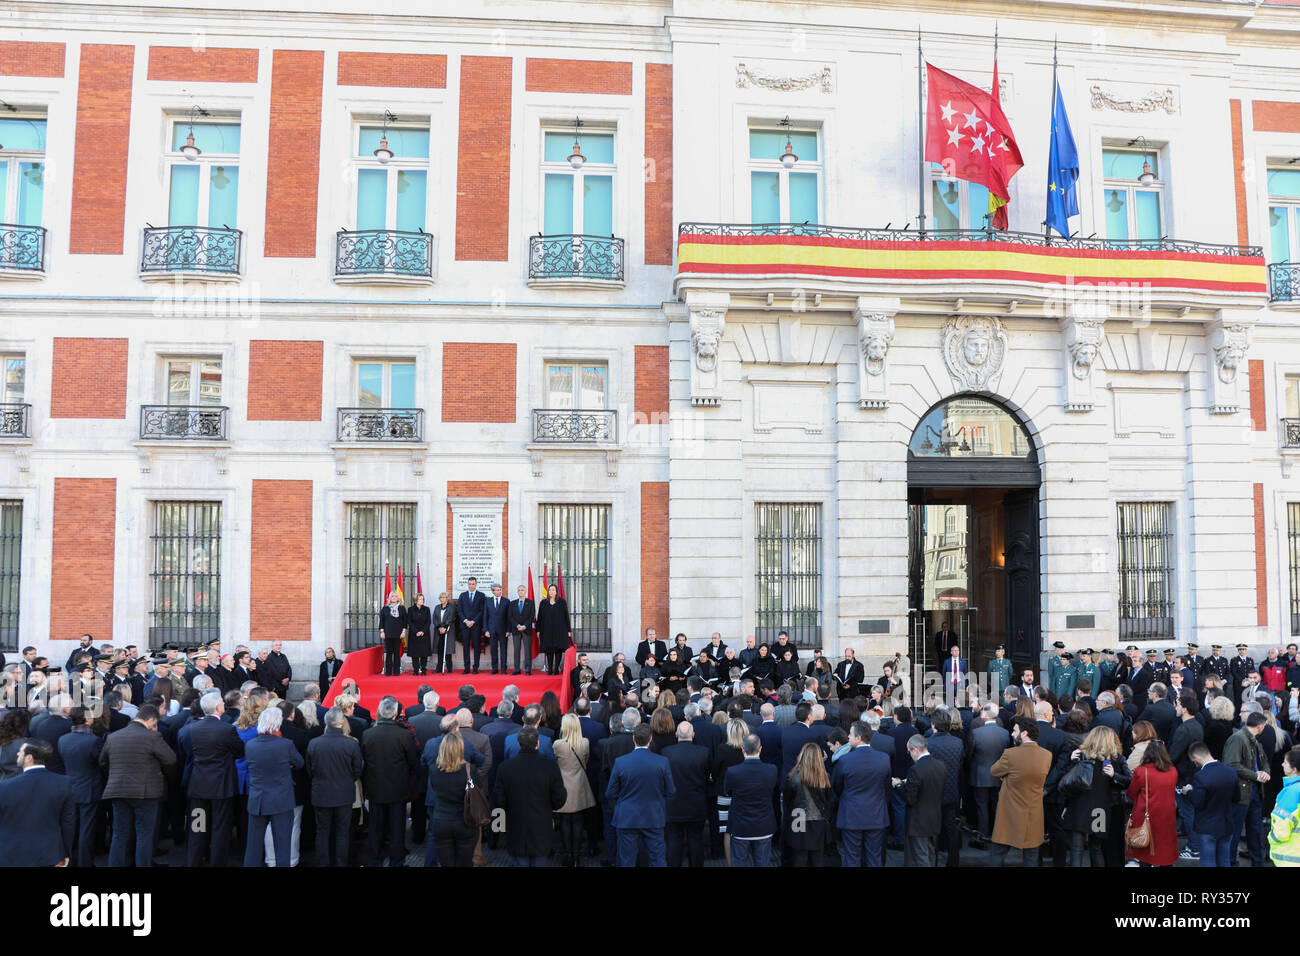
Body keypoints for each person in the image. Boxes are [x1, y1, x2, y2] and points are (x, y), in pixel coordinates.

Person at [98, 703, 176, 867]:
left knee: (119, 833)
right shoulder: (152, 737)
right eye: (154, 725)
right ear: (150, 720)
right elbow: (171, 759)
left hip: (117, 790)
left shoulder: (113, 737)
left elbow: (102, 762)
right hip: (145, 792)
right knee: (144, 834)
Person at [179, 690, 245, 868]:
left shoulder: (189, 730)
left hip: (198, 786)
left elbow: (186, 752)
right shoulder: (227, 729)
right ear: (218, 707)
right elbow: (240, 751)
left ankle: (193, 861)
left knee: (197, 829)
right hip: (221, 787)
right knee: (219, 829)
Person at [492, 726, 565, 866]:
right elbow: (559, 798)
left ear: (518, 744)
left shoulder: (505, 767)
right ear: (538, 744)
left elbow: (499, 799)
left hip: (515, 825)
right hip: (542, 826)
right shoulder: (550, 766)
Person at [605, 723, 675, 867]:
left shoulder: (621, 762)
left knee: (627, 860)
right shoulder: (662, 762)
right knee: (657, 859)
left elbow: (610, 792)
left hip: (627, 817)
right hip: (653, 817)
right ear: (650, 740)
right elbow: (670, 791)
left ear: (633, 739)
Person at [1061, 725, 1131, 867]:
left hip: (1079, 807)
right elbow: (1128, 781)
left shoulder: (1081, 757)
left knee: (1077, 850)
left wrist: (1071, 761)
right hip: (1100, 810)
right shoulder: (1117, 759)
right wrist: (1114, 776)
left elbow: (1069, 782)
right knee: (1096, 848)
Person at [362, 695, 419, 867]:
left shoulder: (367, 734)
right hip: (398, 788)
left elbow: (364, 759)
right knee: (397, 827)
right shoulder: (403, 735)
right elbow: (413, 762)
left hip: (375, 787)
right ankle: (396, 861)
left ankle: (374, 860)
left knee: (375, 827)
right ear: (396, 713)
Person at [243, 706, 303, 868]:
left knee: (253, 847)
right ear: (278, 724)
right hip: (281, 799)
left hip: (258, 799)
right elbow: (299, 763)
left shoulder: (250, 745)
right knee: (282, 845)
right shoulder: (286, 744)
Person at [0, 738, 75, 867]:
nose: (18, 754)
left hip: (11, 855)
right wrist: (65, 853)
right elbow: (68, 823)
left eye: (20, 752)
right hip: (49, 855)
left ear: (29, 758)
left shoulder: (4, 787)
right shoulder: (64, 783)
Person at [989, 717, 1052, 866]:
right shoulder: (1047, 755)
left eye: (1014, 730)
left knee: (997, 853)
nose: (1011, 734)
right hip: (1033, 813)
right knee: (1031, 857)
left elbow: (994, 771)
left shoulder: (1010, 754)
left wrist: (1006, 776)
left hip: (1009, 814)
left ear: (1024, 734)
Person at [307, 707, 363, 867]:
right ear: (341, 722)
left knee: (323, 832)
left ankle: (323, 863)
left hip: (321, 793)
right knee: (342, 832)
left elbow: (310, 769)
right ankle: (340, 863)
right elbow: (357, 770)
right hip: (343, 793)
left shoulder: (314, 743)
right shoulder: (350, 744)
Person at [831, 720, 891, 866]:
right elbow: (886, 787)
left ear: (858, 738)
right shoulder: (884, 759)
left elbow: (836, 787)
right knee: (874, 857)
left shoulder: (844, 760)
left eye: (851, 735)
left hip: (851, 815)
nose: (848, 737)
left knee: (852, 857)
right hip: (876, 815)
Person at [718, 733, 778, 866]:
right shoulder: (772, 770)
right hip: (764, 825)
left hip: (740, 827)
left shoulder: (733, 772)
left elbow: (727, 791)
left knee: (739, 861)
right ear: (760, 749)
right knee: (763, 862)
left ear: (742, 750)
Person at [1222, 711, 1270, 867]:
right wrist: (1256, 775)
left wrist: (1265, 773)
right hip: (1240, 793)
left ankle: (1258, 862)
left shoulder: (1255, 741)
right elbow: (1231, 765)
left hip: (1254, 791)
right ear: (1261, 726)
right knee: (1234, 833)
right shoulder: (1237, 739)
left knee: (1255, 831)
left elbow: (1264, 761)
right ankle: (1230, 862)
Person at [426, 730, 480, 867]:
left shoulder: (433, 770)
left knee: (446, 863)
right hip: (464, 821)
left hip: (441, 821)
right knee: (465, 862)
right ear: (460, 748)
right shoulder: (470, 770)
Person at [664, 721, 712, 867]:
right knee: (695, 840)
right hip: (696, 804)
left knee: (674, 841)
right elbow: (707, 776)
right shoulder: (703, 752)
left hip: (673, 805)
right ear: (693, 735)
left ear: (676, 734)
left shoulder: (666, 752)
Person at [1184, 742, 1238, 866]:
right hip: (1226, 824)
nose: (1194, 764)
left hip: (1207, 827)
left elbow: (1198, 802)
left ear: (1197, 758)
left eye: (1193, 761)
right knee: (1224, 861)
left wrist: (1189, 792)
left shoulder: (1200, 776)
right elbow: (1236, 798)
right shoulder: (1231, 772)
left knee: (1209, 862)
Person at [1127, 740, 1178, 867]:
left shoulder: (1141, 771)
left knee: (1145, 851)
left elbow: (1132, 793)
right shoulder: (1173, 771)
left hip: (1145, 815)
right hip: (1167, 816)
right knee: (1165, 849)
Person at [553, 712, 595, 866]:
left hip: (563, 784)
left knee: (564, 821)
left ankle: (567, 854)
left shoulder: (557, 744)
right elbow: (586, 761)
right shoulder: (585, 742)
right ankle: (576, 855)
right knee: (578, 821)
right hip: (579, 784)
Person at [896, 734, 944, 867]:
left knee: (921, 856)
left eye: (909, 751)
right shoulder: (940, 766)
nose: (909, 754)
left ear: (915, 750)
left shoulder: (915, 770)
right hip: (935, 819)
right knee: (931, 854)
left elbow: (910, 799)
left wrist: (899, 785)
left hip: (918, 822)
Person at [966, 701, 1009, 843]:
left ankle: (984, 836)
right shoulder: (1005, 733)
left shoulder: (976, 733)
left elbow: (969, 754)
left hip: (980, 775)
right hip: (998, 776)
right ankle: (997, 835)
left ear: (985, 714)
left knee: (982, 806)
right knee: (996, 805)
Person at [1269, 746, 1300, 866]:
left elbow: (1281, 827)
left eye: (1285, 762)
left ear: (1294, 768)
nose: (1282, 765)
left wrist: (1272, 839)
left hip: (1289, 856)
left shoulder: (1291, 792)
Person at [536, 584, 572, 676]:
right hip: (546, 630)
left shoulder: (562, 602)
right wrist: (538, 630)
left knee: (558, 649)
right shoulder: (543, 603)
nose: (551, 592)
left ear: (556, 592)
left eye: (553, 590)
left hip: (560, 630)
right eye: (550, 590)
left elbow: (566, 617)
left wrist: (568, 630)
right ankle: (550, 669)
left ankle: (556, 668)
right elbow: (539, 617)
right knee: (549, 650)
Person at [456, 577, 486, 674]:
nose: (471, 585)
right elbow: (459, 610)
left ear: (476, 584)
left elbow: (482, 611)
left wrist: (473, 621)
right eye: (470, 584)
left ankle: (476, 667)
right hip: (465, 625)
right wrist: (466, 621)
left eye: (473, 584)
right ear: (467, 584)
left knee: (476, 646)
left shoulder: (481, 595)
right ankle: (467, 667)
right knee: (466, 646)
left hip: (476, 625)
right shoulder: (462, 595)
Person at [378, 589, 407, 677]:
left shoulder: (402, 608)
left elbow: (405, 621)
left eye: (395, 596)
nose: (394, 598)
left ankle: (397, 671)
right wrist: (382, 631)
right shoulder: (385, 608)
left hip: (398, 634)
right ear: (390, 598)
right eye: (392, 596)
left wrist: (403, 631)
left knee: (397, 652)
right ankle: (388, 671)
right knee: (389, 652)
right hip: (388, 633)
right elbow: (382, 621)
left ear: (398, 598)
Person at [506, 584, 535, 675]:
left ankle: (527, 670)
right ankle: (517, 669)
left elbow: (531, 616)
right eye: (519, 590)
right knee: (516, 650)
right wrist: (517, 625)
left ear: (525, 591)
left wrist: (524, 626)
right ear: (517, 592)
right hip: (516, 630)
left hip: (527, 630)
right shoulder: (512, 603)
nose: (520, 591)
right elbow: (510, 616)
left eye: (522, 590)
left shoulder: (530, 603)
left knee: (527, 651)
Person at [483, 583, 510, 675]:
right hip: (491, 630)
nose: (499, 591)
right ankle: (494, 668)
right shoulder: (488, 601)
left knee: (503, 650)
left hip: (503, 630)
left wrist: (508, 630)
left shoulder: (506, 601)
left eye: (500, 590)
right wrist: (486, 630)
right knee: (493, 650)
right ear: (493, 591)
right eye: (497, 590)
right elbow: (485, 616)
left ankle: (503, 669)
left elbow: (508, 617)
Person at [407, 593, 432, 676]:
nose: (422, 601)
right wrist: (416, 631)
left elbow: (428, 622)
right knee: (415, 653)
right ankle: (415, 670)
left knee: (424, 653)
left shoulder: (426, 609)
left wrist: (422, 631)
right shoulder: (410, 609)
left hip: (424, 634)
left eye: (422, 599)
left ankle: (423, 669)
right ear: (415, 600)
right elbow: (409, 622)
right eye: (420, 599)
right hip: (414, 635)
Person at [432, 592, 457, 674]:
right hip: (439, 631)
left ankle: (449, 668)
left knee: (447, 650)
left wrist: (445, 627)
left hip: (448, 631)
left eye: (444, 597)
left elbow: (451, 618)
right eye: (441, 597)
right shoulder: (437, 607)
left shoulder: (451, 607)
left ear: (447, 598)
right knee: (440, 649)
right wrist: (439, 627)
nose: (442, 599)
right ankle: (439, 667)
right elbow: (435, 618)